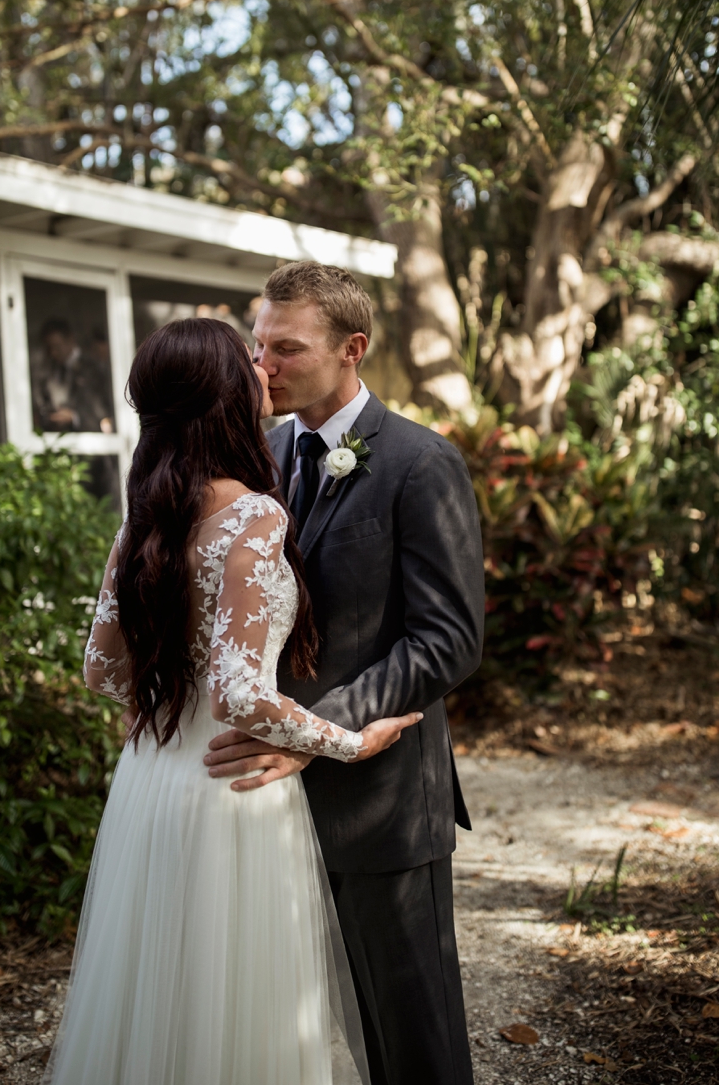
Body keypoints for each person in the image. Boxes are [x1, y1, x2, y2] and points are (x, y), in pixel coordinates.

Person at [46, 317, 420, 1085]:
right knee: (239, 1008)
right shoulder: (252, 514)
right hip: (232, 790)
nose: (262, 367)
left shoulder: (144, 515)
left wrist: (167, 707)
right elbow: (242, 693)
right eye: (247, 358)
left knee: (162, 1000)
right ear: (221, 397)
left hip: (155, 780)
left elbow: (99, 669)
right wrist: (351, 742)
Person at [204, 263, 485, 1085]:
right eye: (258, 346)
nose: (262, 367)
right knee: (303, 1030)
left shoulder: (421, 464)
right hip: (268, 801)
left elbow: (448, 640)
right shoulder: (259, 457)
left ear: (352, 350)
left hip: (382, 798)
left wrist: (319, 738)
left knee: (412, 1040)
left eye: (286, 349)